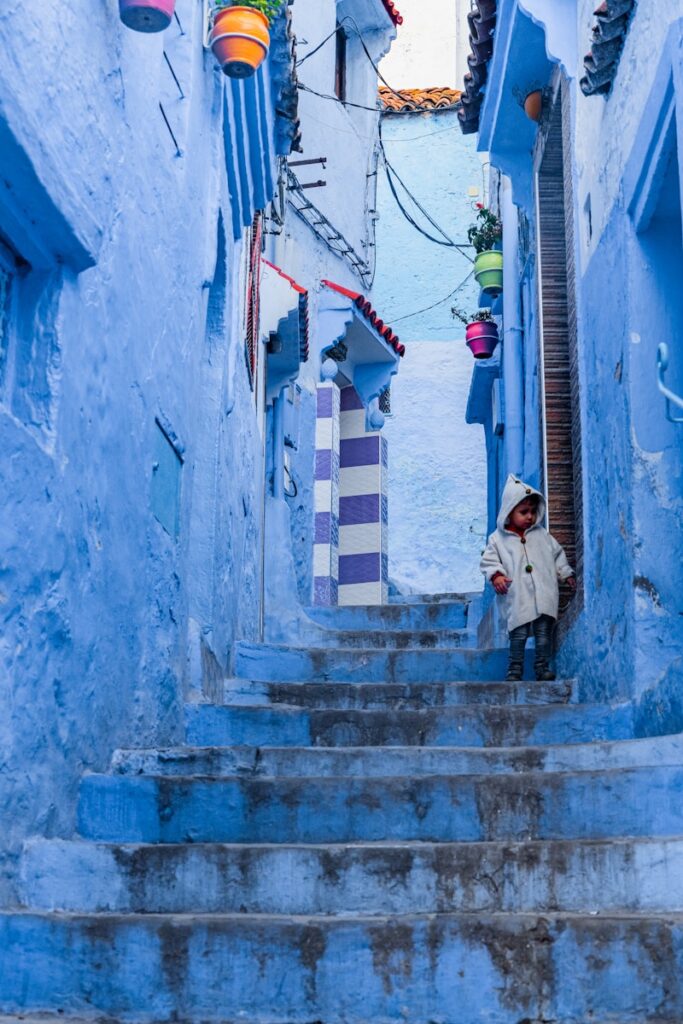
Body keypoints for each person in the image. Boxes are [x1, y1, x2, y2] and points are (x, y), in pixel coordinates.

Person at [480, 475, 576, 681]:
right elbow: (489, 561)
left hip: (544, 593)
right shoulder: (497, 540)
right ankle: (515, 669)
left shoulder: (542, 535)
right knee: (518, 633)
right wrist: (496, 576)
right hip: (518, 596)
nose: (530, 517)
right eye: (523, 512)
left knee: (543, 635)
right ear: (509, 512)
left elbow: (558, 555)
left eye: (533, 512)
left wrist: (566, 573)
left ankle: (542, 667)